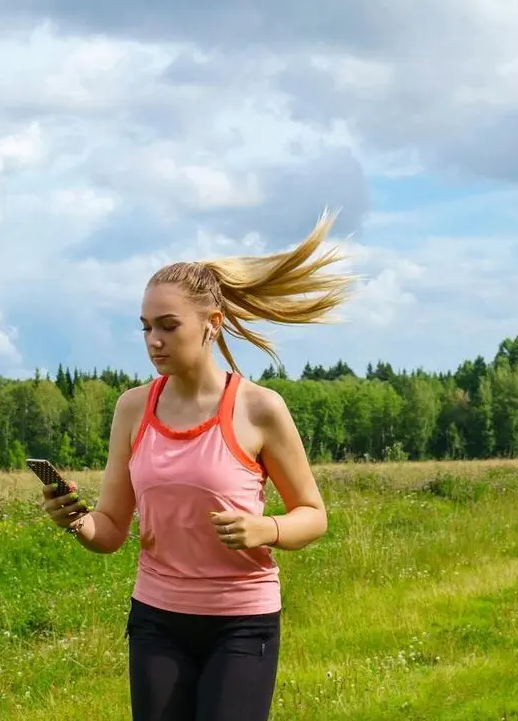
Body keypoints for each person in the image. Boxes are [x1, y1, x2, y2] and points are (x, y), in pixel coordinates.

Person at [40, 210, 353, 721]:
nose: (153, 341)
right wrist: (75, 520)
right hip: (157, 621)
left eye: (168, 326)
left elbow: (313, 515)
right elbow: (112, 529)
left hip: (241, 623)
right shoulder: (132, 408)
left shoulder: (259, 409)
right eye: (145, 328)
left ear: (212, 325)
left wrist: (265, 528)